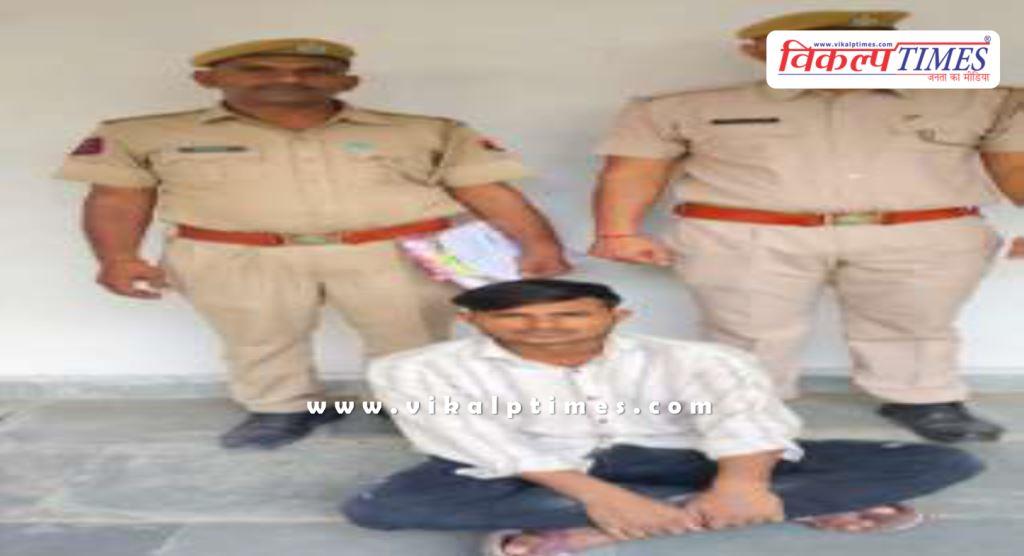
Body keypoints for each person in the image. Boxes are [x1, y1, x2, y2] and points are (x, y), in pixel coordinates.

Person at [55, 38, 570, 449]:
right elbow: (117, 199)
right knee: (258, 337)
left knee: (411, 336)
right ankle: (280, 410)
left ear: (347, 81)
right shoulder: (144, 134)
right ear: (207, 79)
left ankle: (410, 408)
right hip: (231, 252)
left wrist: (538, 244)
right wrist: (117, 257)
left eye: (313, 71)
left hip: (392, 251)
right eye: (258, 69)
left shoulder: (428, 130)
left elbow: (485, 190)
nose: (289, 79)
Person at [588, 10, 1024, 442]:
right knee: (748, 330)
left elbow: (1014, 166)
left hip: (921, 233)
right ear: (757, 52)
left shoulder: (975, 99)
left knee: (916, 322)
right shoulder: (687, 106)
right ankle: (746, 406)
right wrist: (617, 232)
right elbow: (632, 170)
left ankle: (923, 399)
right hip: (747, 234)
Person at [343, 279, 983, 555]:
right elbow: (478, 442)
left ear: (615, 316)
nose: (543, 328)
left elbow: (746, 421)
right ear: (472, 321)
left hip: (680, 458)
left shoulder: (701, 359)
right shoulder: (413, 369)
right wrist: (599, 495)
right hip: (537, 470)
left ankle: (606, 526)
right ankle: (722, 510)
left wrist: (741, 482)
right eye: (515, 318)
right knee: (379, 507)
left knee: (942, 461)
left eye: (569, 315)